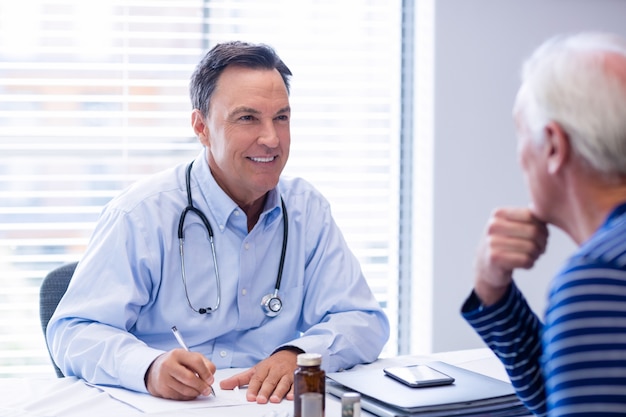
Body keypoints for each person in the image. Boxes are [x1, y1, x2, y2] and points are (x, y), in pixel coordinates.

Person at [47, 41, 389, 404]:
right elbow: (74, 331)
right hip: (166, 408)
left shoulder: (307, 209)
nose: (272, 139)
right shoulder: (141, 214)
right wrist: (149, 368)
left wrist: (297, 356)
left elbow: (363, 321)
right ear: (201, 127)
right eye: (247, 118)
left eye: (281, 118)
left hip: (267, 407)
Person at [461, 32, 626, 416]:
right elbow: (569, 395)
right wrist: (492, 291)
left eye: (521, 136)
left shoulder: (598, 279)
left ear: (552, 145)